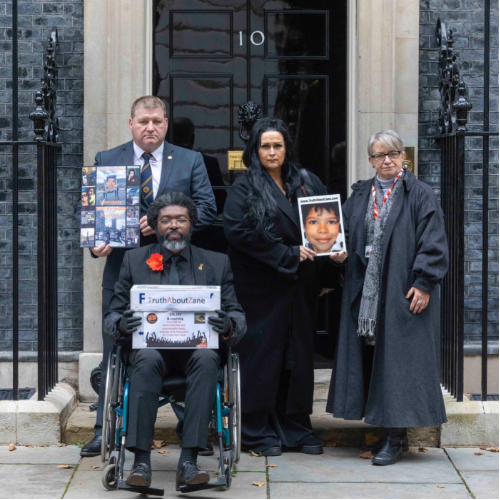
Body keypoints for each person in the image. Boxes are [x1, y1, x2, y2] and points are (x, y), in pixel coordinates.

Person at [74, 96, 217, 457]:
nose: (150, 127)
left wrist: (165, 223)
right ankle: (103, 428)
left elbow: (208, 209)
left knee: (185, 342)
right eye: (143, 121)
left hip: (179, 271)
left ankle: (191, 426)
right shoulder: (108, 160)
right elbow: (91, 209)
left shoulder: (189, 160)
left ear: (166, 123)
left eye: (156, 121)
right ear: (131, 123)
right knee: (114, 349)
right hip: (125, 271)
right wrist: (95, 244)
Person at [103, 192, 246, 491]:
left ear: (192, 224)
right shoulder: (134, 260)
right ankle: (141, 463)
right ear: (155, 226)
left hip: (197, 351)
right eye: (166, 220)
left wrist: (228, 325)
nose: (174, 226)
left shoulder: (217, 263)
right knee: (146, 358)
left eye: (181, 219)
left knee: (208, 358)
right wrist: (120, 323)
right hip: (150, 351)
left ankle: (189, 462)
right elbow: (112, 314)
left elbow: (237, 315)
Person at [326, 130, 449, 466]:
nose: (387, 160)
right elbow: (347, 234)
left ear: (403, 156)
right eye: (380, 156)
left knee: (398, 364)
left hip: (402, 291)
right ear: (370, 161)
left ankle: (395, 439)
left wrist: (424, 282)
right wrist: (340, 252)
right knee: (374, 362)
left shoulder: (420, 194)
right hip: (367, 293)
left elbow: (434, 241)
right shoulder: (361, 194)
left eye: (393, 153)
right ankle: (383, 430)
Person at [224, 118, 345, 456]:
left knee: (298, 359)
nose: (272, 152)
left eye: (278, 145)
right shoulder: (244, 187)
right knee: (262, 359)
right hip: (260, 289)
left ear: (287, 147)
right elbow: (238, 232)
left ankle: (295, 428)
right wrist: (287, 253)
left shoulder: (308, 182)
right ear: (255, 150)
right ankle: (255, 430)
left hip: (300, 288)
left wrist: (332, 259)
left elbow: (327, 225)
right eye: (266, 146)